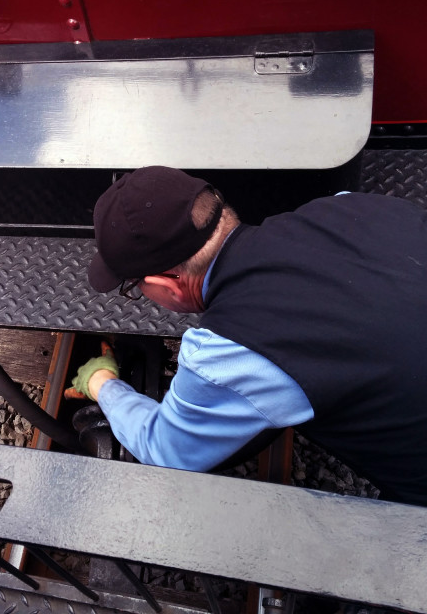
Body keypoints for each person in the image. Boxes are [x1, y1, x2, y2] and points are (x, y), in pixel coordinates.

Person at [67, 165, 427, 506]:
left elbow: (164, 448)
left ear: (167, 284)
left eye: (134, 287)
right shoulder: (352, 205)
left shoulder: (232, 351)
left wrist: (102, 383)